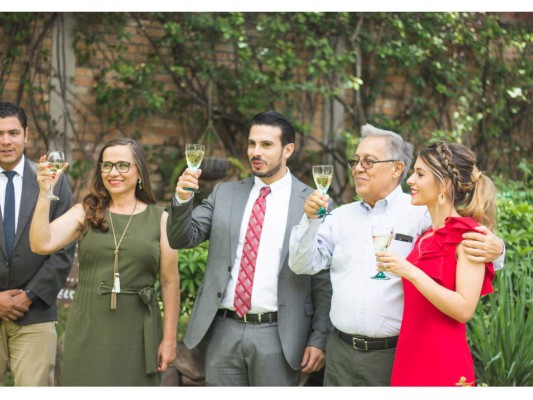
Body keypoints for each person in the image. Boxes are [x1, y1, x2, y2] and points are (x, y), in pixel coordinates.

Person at [288, 124, 505, 386]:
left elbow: (462, 240)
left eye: (368, 161)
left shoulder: (422, 212)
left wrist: (498, 250)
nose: (358, 168)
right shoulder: (339, 217)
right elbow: (301, 264)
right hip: (340, 354)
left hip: (395, 354)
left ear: (396, 168)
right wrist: (310, 220)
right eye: (355, 161)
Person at [166, 111, 332, 386]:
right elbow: (182, 238)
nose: (256, 152)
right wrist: (183, 199)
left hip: (280, 334)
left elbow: (323, 278)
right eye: (252, 143)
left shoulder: (314, 202)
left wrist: (319, 338)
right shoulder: (224, 193)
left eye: (266, 145)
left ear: (288, 149)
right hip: (223, 330)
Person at [29, 137, 179, 386]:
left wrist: (169, 338)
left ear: (139, 171)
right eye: (107, 165)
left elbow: (170, 282)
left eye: (122, 165)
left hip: (139, 331)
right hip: (88, 329)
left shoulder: (161, 219)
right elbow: (40, 244)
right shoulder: (85, 211)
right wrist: (46, 194)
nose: (113, 172)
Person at [377, 141, 496, 386]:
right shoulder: (427, 235)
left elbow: (464, 309)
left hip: (442, 363)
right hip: (409, 358)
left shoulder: (468, 236)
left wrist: (411, 272)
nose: (410, 180)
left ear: (444, 184)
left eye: (420, 174)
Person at [0, 102, 75, 386]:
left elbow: (63, 249)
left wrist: (29, 295)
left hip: (35, 314)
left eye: (13, 132)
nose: (5, 141)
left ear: (26, 135)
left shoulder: (53, 181)